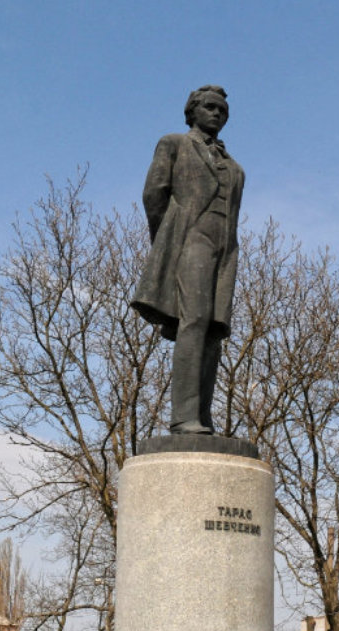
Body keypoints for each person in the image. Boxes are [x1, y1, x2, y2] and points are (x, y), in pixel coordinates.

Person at [132, 85, 245, 435]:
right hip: (188, 240)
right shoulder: (174, 144)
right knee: (193, 320)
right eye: (210, 107)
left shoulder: (234, 167)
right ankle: (184, 417)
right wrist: (168, 241)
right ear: (192, 111)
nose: (216, 114)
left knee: (213, 329)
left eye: (222, 111)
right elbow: (154, 193)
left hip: (224, 250)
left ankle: (203, 418)